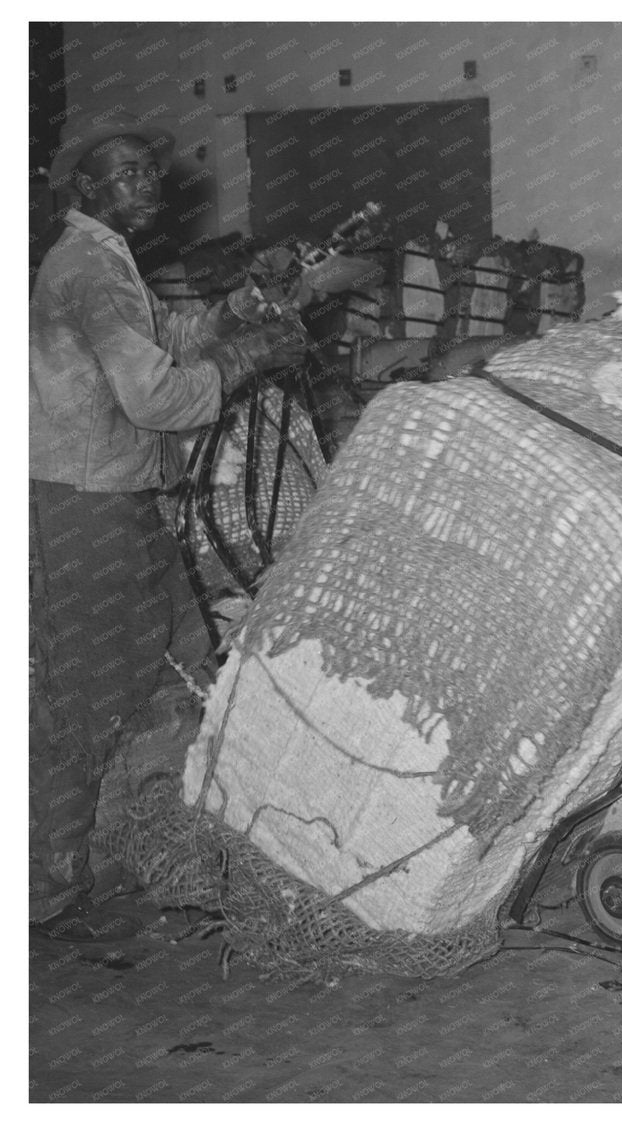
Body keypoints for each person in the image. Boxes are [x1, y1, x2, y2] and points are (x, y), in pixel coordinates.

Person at [30, 113, 305, 939]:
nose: (146, 185)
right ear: (85, 188)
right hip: (80, 502)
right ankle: (52, 872)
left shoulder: (109, 257)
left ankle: (174, 831)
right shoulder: (88, 266)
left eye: (149, 171)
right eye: (126, 173)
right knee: (88, 689)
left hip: (117, 492)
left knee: (186, 652)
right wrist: (252, 359)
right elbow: (152, 397)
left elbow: (169, 338)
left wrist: (236, 310)